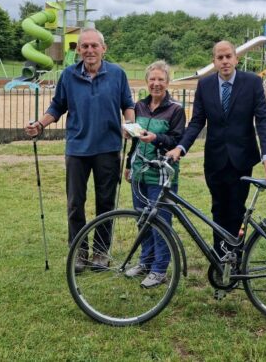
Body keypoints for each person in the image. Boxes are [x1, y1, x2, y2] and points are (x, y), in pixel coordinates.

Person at [167, 41, 266, 296]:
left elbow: (262, 118)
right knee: (217, 210)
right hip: (215, 160)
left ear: (236, 59)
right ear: (214, 61)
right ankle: (219, 262)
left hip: (242, 159)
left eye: (229, 56)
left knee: (236, 211)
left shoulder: (251, 82)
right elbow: (196, 122)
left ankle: (233, 262)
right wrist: (180, 148)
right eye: (220, 57)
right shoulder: (205, 85)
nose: (225, 61)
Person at [24, 28, 135, 274]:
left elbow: (128, 104)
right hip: (77, 149)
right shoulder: (68, 75)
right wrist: (40, 124)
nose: (89, 50)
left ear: (103, 49)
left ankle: (101, 252)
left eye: (94, 45)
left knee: (106, 203)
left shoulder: (118, 74)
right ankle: (79, 251)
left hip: (108, 148)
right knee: (76, 203)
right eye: (84, 46)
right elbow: (57, 106)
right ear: (78, 50)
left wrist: (128, 123)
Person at [123, 61, 186, 288]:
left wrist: (156, 139)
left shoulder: (176, 110)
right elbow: (137, 136)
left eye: (161, 80)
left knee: (160, 221)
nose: (156, 84)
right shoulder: (139, 106)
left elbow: (177, 140)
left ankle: (159, 269)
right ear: (146, 81)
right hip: (140, 171)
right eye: (152, 79)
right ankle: (145, 262)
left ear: (167, 82)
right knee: (143, 220)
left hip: (161, 174)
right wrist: (130, 160)